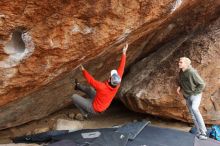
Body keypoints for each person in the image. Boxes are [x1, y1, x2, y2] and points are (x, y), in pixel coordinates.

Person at [71, 43, 128, 119]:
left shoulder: (102, 87)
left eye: (111, 76)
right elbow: (121, 69)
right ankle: (77, 86)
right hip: (99, 101)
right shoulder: (117, 83)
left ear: (111, 80)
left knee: (74, 97)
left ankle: (85, 114)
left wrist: (83, 70)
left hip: (95, 108)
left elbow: (91, 81)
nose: (110, 76)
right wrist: (124, 53)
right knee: (90, 90)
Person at [177, 57, 207, 140]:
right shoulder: (181, 71)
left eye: (181, 62)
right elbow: (181, 80)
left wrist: (194, 93)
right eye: (179, 62)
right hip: (187, 96)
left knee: (194, 109)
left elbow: (202, 84)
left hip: (195, 95)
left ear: (186, 64)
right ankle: (199, 132)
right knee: (192, 115)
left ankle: (204, 132)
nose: (179, 63)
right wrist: (179, 86)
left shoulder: (192, 72)